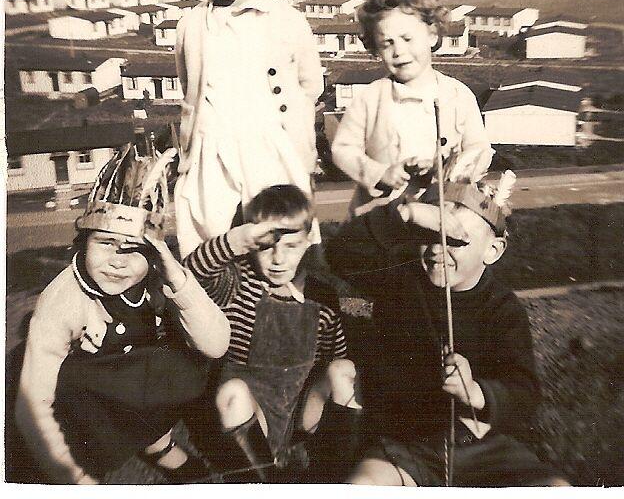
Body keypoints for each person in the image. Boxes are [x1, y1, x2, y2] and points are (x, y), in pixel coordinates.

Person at [326, 159, 569, 486]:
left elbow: (523, 391)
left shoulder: (502, 309)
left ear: (493, 250)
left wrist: (477, 393)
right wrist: (407, 213)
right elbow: (340, 254)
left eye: (455, 240)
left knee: (556, 489)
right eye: (429, 234)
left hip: (481, 447)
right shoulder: (402, 279)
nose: (437, 251)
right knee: (363, 486)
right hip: (409, 446)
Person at [15, 144, 231, 484]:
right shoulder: (61, 303)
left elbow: (217, 344)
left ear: (155, 257)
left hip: (131, 375)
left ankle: (155, 439)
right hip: (82, 398)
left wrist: (178, 280)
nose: (118, 261)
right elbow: (33, 408)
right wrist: (74, 479)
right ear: (83, 243)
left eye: (133, 250)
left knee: (189, 357)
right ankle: (120, 449)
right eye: (105, 244)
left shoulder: (158, 279)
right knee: (72, 383)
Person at [173, 0, 324, 257]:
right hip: (211, 153)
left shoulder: (286, 20)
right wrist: (189, 155)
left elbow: (309, 85)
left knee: (280, 242)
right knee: (209, 246)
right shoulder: (190, 25)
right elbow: (189, 91)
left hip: (271, 149)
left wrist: (297, 145)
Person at [183, 184, 361, 482]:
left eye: (291, 246)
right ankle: (263, 481)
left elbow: (336, 356)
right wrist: (234, 241)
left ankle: (338, 477)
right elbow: (192, 273)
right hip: (253, 410)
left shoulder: (322, 296)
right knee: (232, 394)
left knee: (344, 370)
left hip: (298, 408)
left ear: (307, 241)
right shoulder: (237, 283)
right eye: (267, 247)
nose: (278, 259)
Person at [331, 0, 492, 217]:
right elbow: (342, 150)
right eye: (387, 43)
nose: (399, 51)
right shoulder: (370, 97)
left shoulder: (459, 95)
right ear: (375, 48)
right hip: (379, 217)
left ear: (432, 35)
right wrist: (380, 173)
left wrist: (454, 170)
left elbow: (479, 148)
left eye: (407, 39)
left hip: (442, 213)